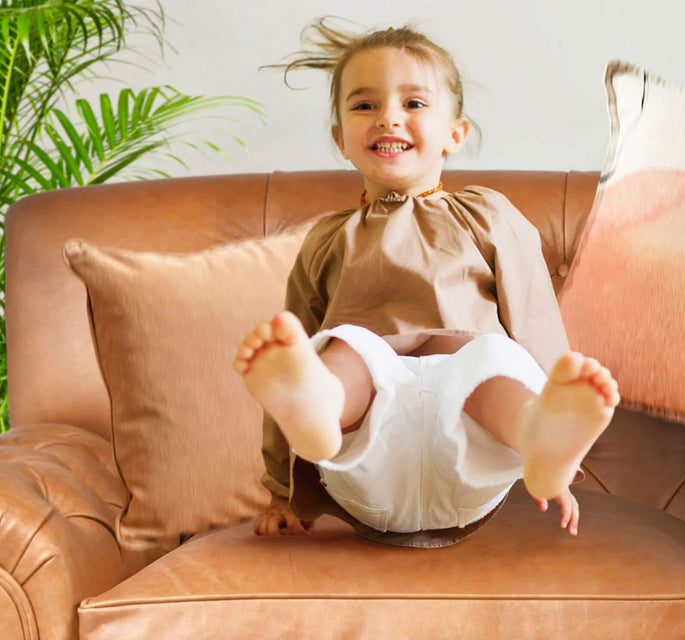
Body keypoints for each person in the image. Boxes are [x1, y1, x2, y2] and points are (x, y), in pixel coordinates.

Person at [234, 19, 619, 546]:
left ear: (454, 135)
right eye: (364, 105)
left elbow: (533, 320)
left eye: (414, 104)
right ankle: (321, 412)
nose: (388, 116)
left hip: (468, 450)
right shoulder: (327, 240)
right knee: (341, 352)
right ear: (340, 140)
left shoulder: (487, 216)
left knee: (489, 358)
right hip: (368, 456)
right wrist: (281, 489)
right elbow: (293, 347)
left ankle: (537, 436)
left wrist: (558, 422)